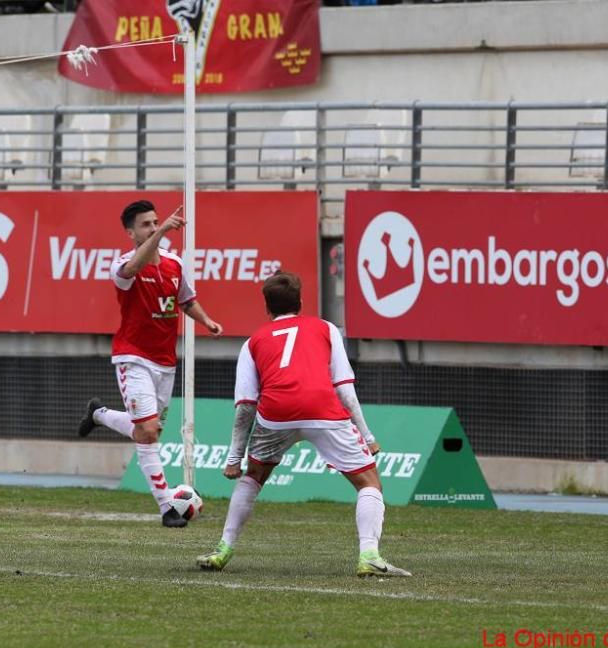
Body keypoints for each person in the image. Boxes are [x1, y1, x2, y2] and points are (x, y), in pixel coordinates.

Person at [197, 271, 411, 577]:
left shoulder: (252, 342)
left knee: (253, 478)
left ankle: (223, 549)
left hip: (276, 414)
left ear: (267, 308)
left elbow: (246, 405)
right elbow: (345, 389)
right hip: (322, 408)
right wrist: (367, 435)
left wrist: (234, 458)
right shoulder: (325, 328)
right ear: (300, 302)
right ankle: (369, 556)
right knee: (369, 483)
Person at [78, 200, 222, 527]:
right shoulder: (123, 265)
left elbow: (186, 300)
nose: (154, 227)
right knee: (147, 432)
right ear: (130, 233)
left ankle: (99, 414)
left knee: (149, 429)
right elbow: (130, 271)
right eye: (146, 225)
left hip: (165, 363)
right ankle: (167, 508)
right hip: (133, 358)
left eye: (156, 222)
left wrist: (207, 320)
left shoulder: (174, 264)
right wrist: (160, 236)